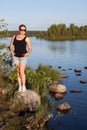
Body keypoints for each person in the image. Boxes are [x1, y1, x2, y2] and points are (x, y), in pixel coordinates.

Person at [9, 24, 32, 92]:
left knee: (21, 72)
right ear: (19, 30)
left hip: (23, 57)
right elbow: (11, 45)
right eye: (21, 30)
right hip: (15, 57)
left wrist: (27, 53)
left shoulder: (26, 38)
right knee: (17, 72)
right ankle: (19, 86)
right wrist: (11, 51)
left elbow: (30, 48)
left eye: (24, 30)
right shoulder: (14, 37)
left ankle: (23, 86)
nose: (23, 31)